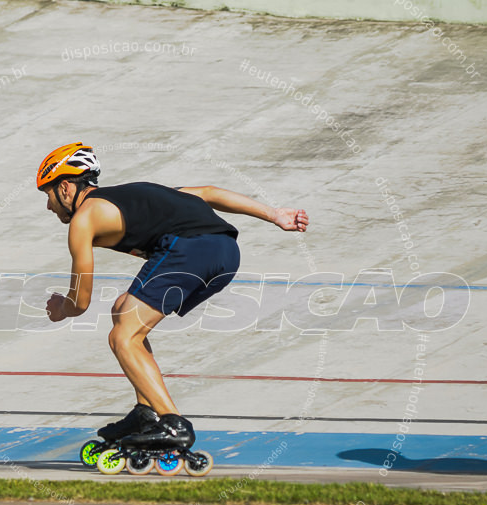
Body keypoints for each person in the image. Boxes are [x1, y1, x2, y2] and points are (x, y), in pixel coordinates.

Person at [37, 142, 308, 449]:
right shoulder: (131, 195)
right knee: (122, 309)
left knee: (122, 338)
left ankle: (173, 424)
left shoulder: (84, 218)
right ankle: (146, 413)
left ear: (64, 188)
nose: (48, 207)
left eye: (47, 196)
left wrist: (63, 307)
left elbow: (81, 302)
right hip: (225, 251)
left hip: (191, 248)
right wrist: (274, 215)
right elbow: (208, 193)